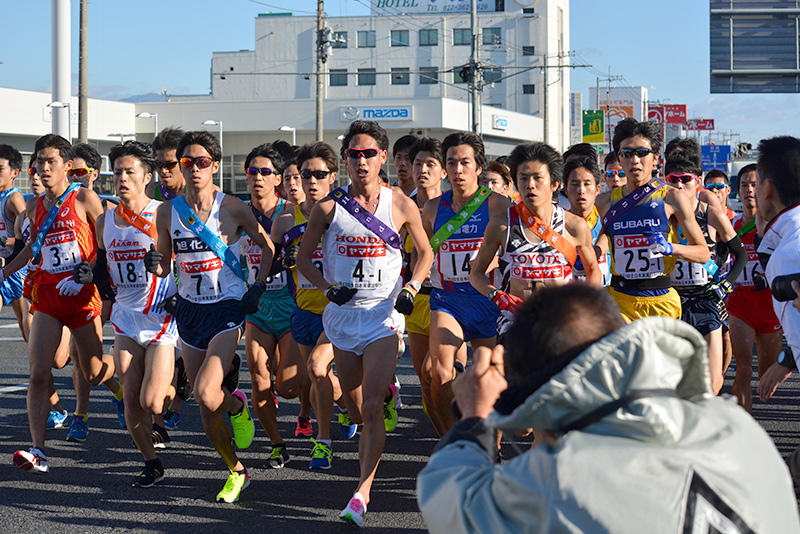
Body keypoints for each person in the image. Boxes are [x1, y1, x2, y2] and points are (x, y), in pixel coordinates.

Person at [416, 284, 800, 533]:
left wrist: (476, 418)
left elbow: (449, 505)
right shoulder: (734, 426)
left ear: (544, 398)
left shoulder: (554, 480)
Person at [297, 120, 433, 527]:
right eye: (353, 154)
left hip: (383, 316)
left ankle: (361, 493)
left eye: (368, 153)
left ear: (383, 158)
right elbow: (304, 259)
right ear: (345, 161)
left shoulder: (401, 204)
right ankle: (385, 393)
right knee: (356, 409)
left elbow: (425, 253)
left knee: (372, 407)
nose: (361, 161)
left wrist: (412, 285)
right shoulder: (328, 207)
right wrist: (325, 286)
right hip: (342, 317)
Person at [146, 130, 267, 503]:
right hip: (189, 310)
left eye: (202, 163)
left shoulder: (232, 208)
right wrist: (157, 264)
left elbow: (267, 245)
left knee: (201, 391)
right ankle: (237, 464)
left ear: (214, 165)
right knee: (209, 402)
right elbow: (165, 264)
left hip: (227, 308)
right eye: (187, 163)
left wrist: (258, 286)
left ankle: (233, 413)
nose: (194, 169)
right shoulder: (167, 211)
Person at [11, 134, 119, 474]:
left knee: (93, 372)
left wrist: (93, 275)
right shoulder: (33, 206)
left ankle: (122, 373)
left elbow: (106, 246)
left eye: (51, 162)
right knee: (40, 370)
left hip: (83, 296)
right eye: (40, 162)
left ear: (67, 166)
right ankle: (38, 450)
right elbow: (30, 248)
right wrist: (5, 273)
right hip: (48, 296)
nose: (44, 168)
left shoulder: (85, 199)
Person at [73, 140, 178, 486]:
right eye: (117, 171)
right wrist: (92, 276)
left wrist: (164, 264)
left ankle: (182, 382)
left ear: (147, 176)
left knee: (153, 400)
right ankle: (151, 462)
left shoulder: (164, 213)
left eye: (130, 172)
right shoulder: (105, 221)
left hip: (161, 315)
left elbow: (188, 258)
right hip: (127, 317)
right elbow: (103, 268)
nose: (122, 178)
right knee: (131, 397)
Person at [271, 141, 356, 471]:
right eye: (305, 174)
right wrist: (285, 260)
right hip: (303, 309)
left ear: (333, 176)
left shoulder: (346, 214)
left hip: (338, 311)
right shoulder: (285, 221)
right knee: (316, 375)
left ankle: (323, 441)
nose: (310, 181)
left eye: (319, 174)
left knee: (319, 367)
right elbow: (277, 265)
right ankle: (345, 407)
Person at [423, 132, 508, 437]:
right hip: (448, 299)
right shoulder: (432, 209)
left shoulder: (498, 205)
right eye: (452, 163)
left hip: (487, 299)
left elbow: (512, 251)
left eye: (465, 163)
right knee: (438, 372)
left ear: (478, 167)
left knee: (489, 378)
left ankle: (491, 445)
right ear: (444, 168)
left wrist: (496, 269)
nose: (458, 170)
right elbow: (423, 254)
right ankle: (455, 440)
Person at [471, 142, 601, 339]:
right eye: (523, 178)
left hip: (560, 320)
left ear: (555, 184)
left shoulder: (574, 226)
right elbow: (476, 274)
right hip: (515, 319)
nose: (530, 185)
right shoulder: (501, 224)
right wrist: (495, 295)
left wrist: (583, 306)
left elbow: (593, 270)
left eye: (537, 178)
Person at [595, 119, 710, 322]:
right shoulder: (604, 202)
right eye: (627, 154)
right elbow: (601, 239)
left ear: (656, 158)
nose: (635, 160)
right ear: (619, 159)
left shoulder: (673, 198)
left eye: (642, 152)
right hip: (619, 300)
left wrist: (671, 248)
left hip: (662, 302)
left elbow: (703, 254)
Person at [241, 142, 309, 469]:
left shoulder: (289, 212)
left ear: (278, 179)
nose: (258, 178)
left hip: (291, 305)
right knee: (258, 378)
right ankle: (277, 444)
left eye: (265, 172)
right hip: (257, 308)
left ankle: (326, 397)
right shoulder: (237, 215)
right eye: (252, 172)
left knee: (287, 386)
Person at [663, 152, 744, 394]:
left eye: (685, 179)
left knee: (712, 382)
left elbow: (740, 254)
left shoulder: (711, 214)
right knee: (677, 382)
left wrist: (725, 285)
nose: (678, 185)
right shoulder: (662, 215)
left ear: (697, 181)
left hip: (706, 300)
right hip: (674, 301)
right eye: (673, 179)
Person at [67, 142, 124, 442]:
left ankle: (81, 416)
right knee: (67, 358)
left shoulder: (107, 206)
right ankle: (116, 392)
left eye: (79, 171)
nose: (74, 177)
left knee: (81, 358)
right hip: (68, 287)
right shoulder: (61, 204)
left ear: (94, 173)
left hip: (102, 290)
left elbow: (109, 251)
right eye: (70, 170)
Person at [16, 157, 72, 430]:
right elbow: (21, 247)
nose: (37, 177)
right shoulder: (27, 211)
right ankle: (57, 409)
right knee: (38, 359)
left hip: (70, 289)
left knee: (61, 360)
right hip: (35, 289)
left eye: (41, 172)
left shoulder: (70, 204)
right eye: (34, 172)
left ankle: (89, 359)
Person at [727, 163, 782, 412]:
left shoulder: (778, 226)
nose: (749, 190)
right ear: (737, 191)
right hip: (740, 304)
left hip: (769, 305)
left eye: (754, 184)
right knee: (744, 370)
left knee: (768, 373)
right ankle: (743, 429)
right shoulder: (729, 225)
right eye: (744, 185)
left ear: (764, 188)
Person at [405, 137, 444, 421]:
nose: (423, 170)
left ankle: (461, 433)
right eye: (418, 163)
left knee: (440, 373)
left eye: (431, 164)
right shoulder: (399, 207)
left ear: (444, 171)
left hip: (449, 300)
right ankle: (442, 438)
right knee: (424, 380)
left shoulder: (457, 208)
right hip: (415, 300)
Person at [564, 155, 611, 285]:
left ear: (597, 189)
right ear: (566, 189)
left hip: (606, 298)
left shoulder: (608, 221)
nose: (581, 190)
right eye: (574, 184)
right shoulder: (557, 225)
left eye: (587, 184)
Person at [0, 145, 30, 340]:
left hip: (17, 271)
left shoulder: (14, 198)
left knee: (27, 331)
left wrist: (5, 240)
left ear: (14, 173)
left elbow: (28, 238)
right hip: (2, 269)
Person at [146, 128, 186, 201]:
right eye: (158, 164)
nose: (164, 171)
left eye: (170, 164)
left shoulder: (197, 191)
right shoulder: (153, 191)